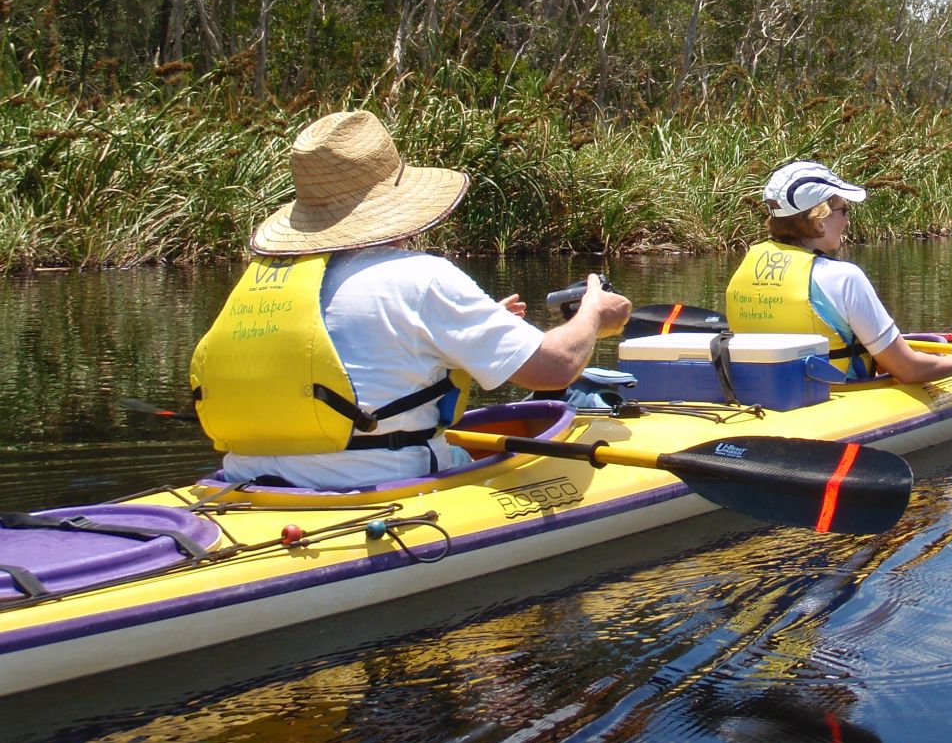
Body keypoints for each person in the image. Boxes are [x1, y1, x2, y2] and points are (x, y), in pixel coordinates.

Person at [189, 109, 632, 490]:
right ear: (399, 202)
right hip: (377, 482)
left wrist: (465, 336)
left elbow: (342, 355)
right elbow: (554, 369)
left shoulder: (262, 279)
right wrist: (593, 312)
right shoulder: (420, 276)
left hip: (244, 483)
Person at [724, 160, 952, 383]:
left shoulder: (746, 269)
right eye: (843, 210)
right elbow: (909, 370)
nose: (846, 219)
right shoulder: (843, 278)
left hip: (765, 396)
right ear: (819, 221)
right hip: (839, 400)